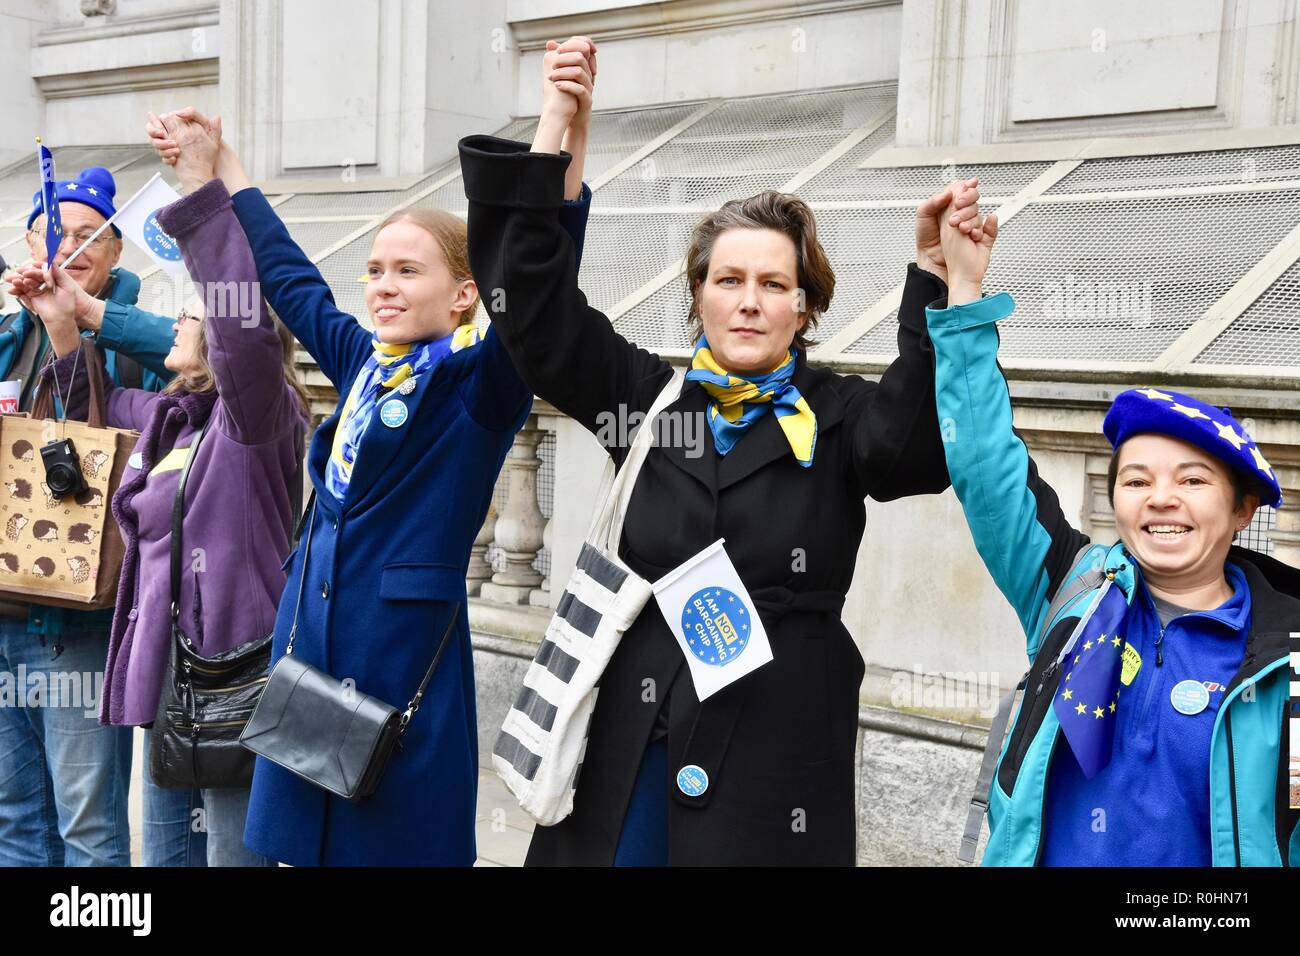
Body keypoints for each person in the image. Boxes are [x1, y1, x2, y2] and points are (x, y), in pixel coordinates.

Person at [458, 40, 984, 865]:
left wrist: (934, 280)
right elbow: (531, 309)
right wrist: (557, 126)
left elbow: (915, 454)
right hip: (635, 741)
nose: (748, 303)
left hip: (776, 764)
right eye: (728, 279)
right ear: (697, 293)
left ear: (804, 307)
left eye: (774, 285)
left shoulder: (839, 410)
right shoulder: (648, 399)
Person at [143, 36, 598, 866]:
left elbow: (533, 283)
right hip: (307, 673)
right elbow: (288, 278)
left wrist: (560, 125)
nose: (383, 284)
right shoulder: (359, 363)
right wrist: (224, 169)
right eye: (376, 270)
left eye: (408, 271)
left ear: (464, 295)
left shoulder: (479, 387)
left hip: (400, 691)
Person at [926, 188, 1300, 865]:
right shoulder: (1072, 592)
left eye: (1192, 481)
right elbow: (985, 464)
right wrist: (963, 293)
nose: (1161, 499)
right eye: (1137, 481)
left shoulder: (1289, 658)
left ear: (1244, 508)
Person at [15, 120, 310, 868]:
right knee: (168, 861)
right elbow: (91, 407)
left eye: (195, 315)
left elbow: (241, 329)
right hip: (172, 687)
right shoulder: (174, 419)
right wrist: (59, 325)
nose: (179, 320)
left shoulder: (256, 421)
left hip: (235, 683)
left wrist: (202, 189)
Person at [0, 164, 178, 867]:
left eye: (89, 238)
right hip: (4, 618)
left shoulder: (139, 336)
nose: (71, 249)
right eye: (56, 235)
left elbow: (191, 376)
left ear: (115, 254)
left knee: (89, 830)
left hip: (79, 624)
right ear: (29, 241)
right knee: (15, 822)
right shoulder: (10, 333)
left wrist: (77, 323)